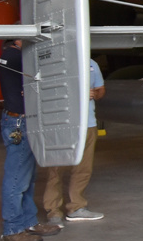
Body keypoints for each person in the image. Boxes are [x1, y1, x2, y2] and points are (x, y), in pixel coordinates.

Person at [0, 40, 58, 241]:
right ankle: (13, 229)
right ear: (18, 38)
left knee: (26, 176)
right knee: (17, 179)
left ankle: (28, 222)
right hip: (19, 121)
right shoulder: (16, 57)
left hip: (19, 119)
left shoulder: (10, 54)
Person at [41, 58, 106, 224]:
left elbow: (100, 90)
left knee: (83, 168)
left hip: (88, 124)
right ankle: (53, 212)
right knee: (56, 169)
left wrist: (94, 94)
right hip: (62, 125)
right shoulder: (55, 62)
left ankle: (76, 208)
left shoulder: (92, 64)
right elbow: (44, 91)